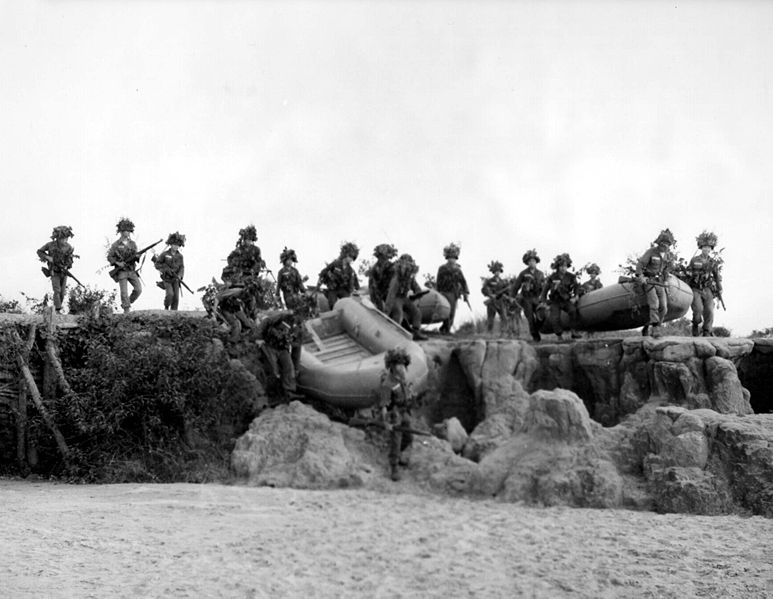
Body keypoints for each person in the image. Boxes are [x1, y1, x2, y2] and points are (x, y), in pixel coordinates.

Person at [377, 347, 418, 481]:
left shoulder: (402, 379)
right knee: (396, 440)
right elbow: (383, 405)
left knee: (409, 438)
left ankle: (398, 455)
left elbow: (407, 393)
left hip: (404, 411)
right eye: (398, 365)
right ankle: (394, 466)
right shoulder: (387, 384)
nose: (401, 368)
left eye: (403, 365)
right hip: (394, 413)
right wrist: (386, 422)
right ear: (392, 366)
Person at [635, 228, 675, 337]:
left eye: (667, 244)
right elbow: (640, 265)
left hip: (660, 282)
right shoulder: (651, 252)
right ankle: (656, 329)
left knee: (664, 307)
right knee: (654, 304)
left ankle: (651, 325)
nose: (665, 246)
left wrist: (666, 281)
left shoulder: (668, 256)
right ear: (659, 243)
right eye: (663, 243)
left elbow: (667, 269)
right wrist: (641, 276)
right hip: (649, 281)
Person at [686, 230, 723, 337]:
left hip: (707, 288)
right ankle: (695, 325)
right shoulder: (694, 260)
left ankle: (707, 330)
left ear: (711, 249)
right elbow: (688, 271)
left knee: (710, 310)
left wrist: (720, 288)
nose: (706, 249)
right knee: (698, 310)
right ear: (701, 248)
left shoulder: (713, 262)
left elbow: (716, 276)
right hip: (696, 288)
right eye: (704, 247)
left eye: (708, 247)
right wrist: (690, 273)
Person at [385, 253, 427, 341]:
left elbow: (416, 287)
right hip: (396, 298)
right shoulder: (396, 278)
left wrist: (418, 294)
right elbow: (391, 295)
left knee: (417, 312)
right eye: (403, 265)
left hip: (404, 298)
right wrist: (386, 312)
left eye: (407, 265)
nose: (405, 267)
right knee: (398, 313)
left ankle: (416, 332)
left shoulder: (410, 278)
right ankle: (394, 334)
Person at [540, 253, 581, 340]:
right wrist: (544, 302)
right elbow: (545, 291)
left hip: (566, 300)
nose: (563, 268)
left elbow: (576, 287)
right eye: (561, 266)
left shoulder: (571, 276)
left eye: (565, 266)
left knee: (573, 311)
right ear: (558, 267)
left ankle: (574, 332)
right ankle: (559, 335)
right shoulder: (552, 277)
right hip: (555, 301)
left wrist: (576, 296)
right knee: (555, 318)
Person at [37, 225, 76, 313]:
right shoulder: (50, 245)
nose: (65, 240)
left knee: (62, 293)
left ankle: (57, 308)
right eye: (63, 238)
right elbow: (39, 251)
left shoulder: (68, 247)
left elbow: (70, 260)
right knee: (57, 290)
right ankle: (57, 310)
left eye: (66, 238)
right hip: (54, 271)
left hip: (63, 272)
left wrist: (66, 266)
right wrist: (47, 257)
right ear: (58, 238)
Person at [107, 218, 143, 314]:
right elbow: (110, 257)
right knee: (124, 292)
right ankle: (126, 309)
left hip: (131, 270)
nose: (127, 233)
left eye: (128, 231)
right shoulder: (116, 244)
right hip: (122, 271)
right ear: (121, 231)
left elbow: (135, 256)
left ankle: (128, 302)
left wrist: (138, 256)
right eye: (125, 231)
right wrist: (117, 263)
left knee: (138, 289)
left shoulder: (133, 244)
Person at [511, 249, 546, 341]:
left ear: (536, 262)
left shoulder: (540, 274)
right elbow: (516, 286)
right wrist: (512, 297)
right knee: (530, 318)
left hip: (537, 298)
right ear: (527, 263)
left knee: (542, 315)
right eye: (530, 261)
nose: (532, 263)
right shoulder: (523, 273)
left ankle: (537, 330)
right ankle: (535, 336)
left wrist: (544, 297)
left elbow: (544, 287)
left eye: (533, 261)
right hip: (526, 299)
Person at [435, 243, 470, 334]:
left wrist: (466, 293)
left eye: (454, 258)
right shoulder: (442, 268)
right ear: (447, 258)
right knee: (445, 310)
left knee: (451, 312)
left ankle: (446, 328)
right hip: (443, 292)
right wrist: (437, 292)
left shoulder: (458, 270)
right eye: (450, 257)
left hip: (453, 293)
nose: (452, 259)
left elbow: (463, 281)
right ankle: (445, 328)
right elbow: (438, 281)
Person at [317, 241, 360, 309]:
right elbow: (324, 272)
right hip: (333, 288)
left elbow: (353, 284)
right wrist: (318, 284)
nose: (352, 260)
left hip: (342, 289)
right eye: (351, 257)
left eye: (353, 258)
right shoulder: (335, 264)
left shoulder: (350, 270)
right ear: (346, 255)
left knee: (348, 303)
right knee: (332, 304)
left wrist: (354, 291)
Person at [152, 232, 186, 310]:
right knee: (170, 294)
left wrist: (180, 275)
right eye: (174, 244)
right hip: (167, 278)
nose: (176, 246)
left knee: (176, 298)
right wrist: (165, 269)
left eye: (177, 245)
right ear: (170, 244)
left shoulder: (180, 256)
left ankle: (174, 313)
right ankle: (166, 306)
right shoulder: (164, 254)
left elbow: (182, 267)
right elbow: (157, 264)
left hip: (176, 278)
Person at [481, 260, 510, 334]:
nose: (497, 272)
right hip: (492, 302)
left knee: (504, 317)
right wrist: (490, 294)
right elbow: (484, 289)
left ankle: (504, 332)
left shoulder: (503, 282)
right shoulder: (489, 281)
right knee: (490, 318)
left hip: (501, 301)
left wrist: (507, 294)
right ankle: (489, 332)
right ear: (493, 272)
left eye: (499, 271)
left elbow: (508, 292)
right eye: (496, 271)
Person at [368, 243, 398, 312]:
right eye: (382, 257)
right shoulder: (375, 269)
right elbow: (372, 288)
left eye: (386, 258)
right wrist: (376, 301)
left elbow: (394, 283)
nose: (384, 260)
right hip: (378, 295)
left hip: (389, 294)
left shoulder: (392, 267)